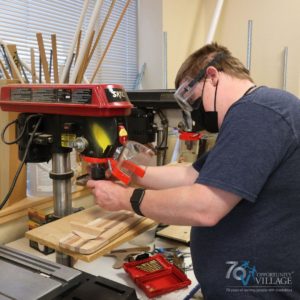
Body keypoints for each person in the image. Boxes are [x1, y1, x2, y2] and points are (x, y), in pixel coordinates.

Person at [87, 42, 300, 299]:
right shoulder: (257, 112)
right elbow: (190, 176)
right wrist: (129, 171)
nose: (195, 110)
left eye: (193, 98)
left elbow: (205, 207)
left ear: (212, 76)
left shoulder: (257, 112)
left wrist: (121, 198)